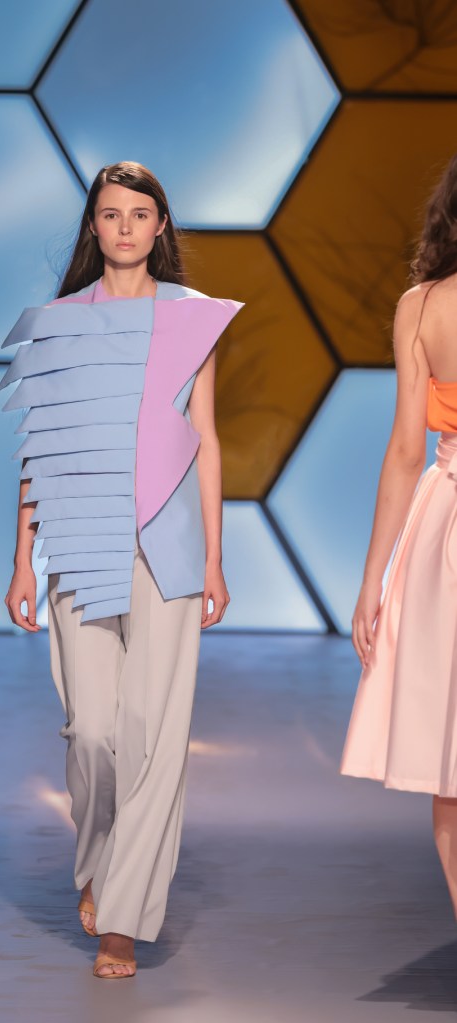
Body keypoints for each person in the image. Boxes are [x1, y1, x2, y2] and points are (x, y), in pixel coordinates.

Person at [1, 162, 242, 978]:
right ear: (93, 226)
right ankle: (100, 861)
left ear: (160, 225)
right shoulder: (59, 323)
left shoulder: (193, 319)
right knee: (94, 731)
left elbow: (205, 438)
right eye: (111, 214)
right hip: (76, 540)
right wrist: (21, 559)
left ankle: (123, 920)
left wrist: (214, 555)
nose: (126, 227)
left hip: (167, 544)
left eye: (140, 213)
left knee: (153, 734)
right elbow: (40, 448)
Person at [341, 153, 457, 915]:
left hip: (444, 529)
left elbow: (403, 452)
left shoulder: (421, 306)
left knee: (451, 758)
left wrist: (372, 579)